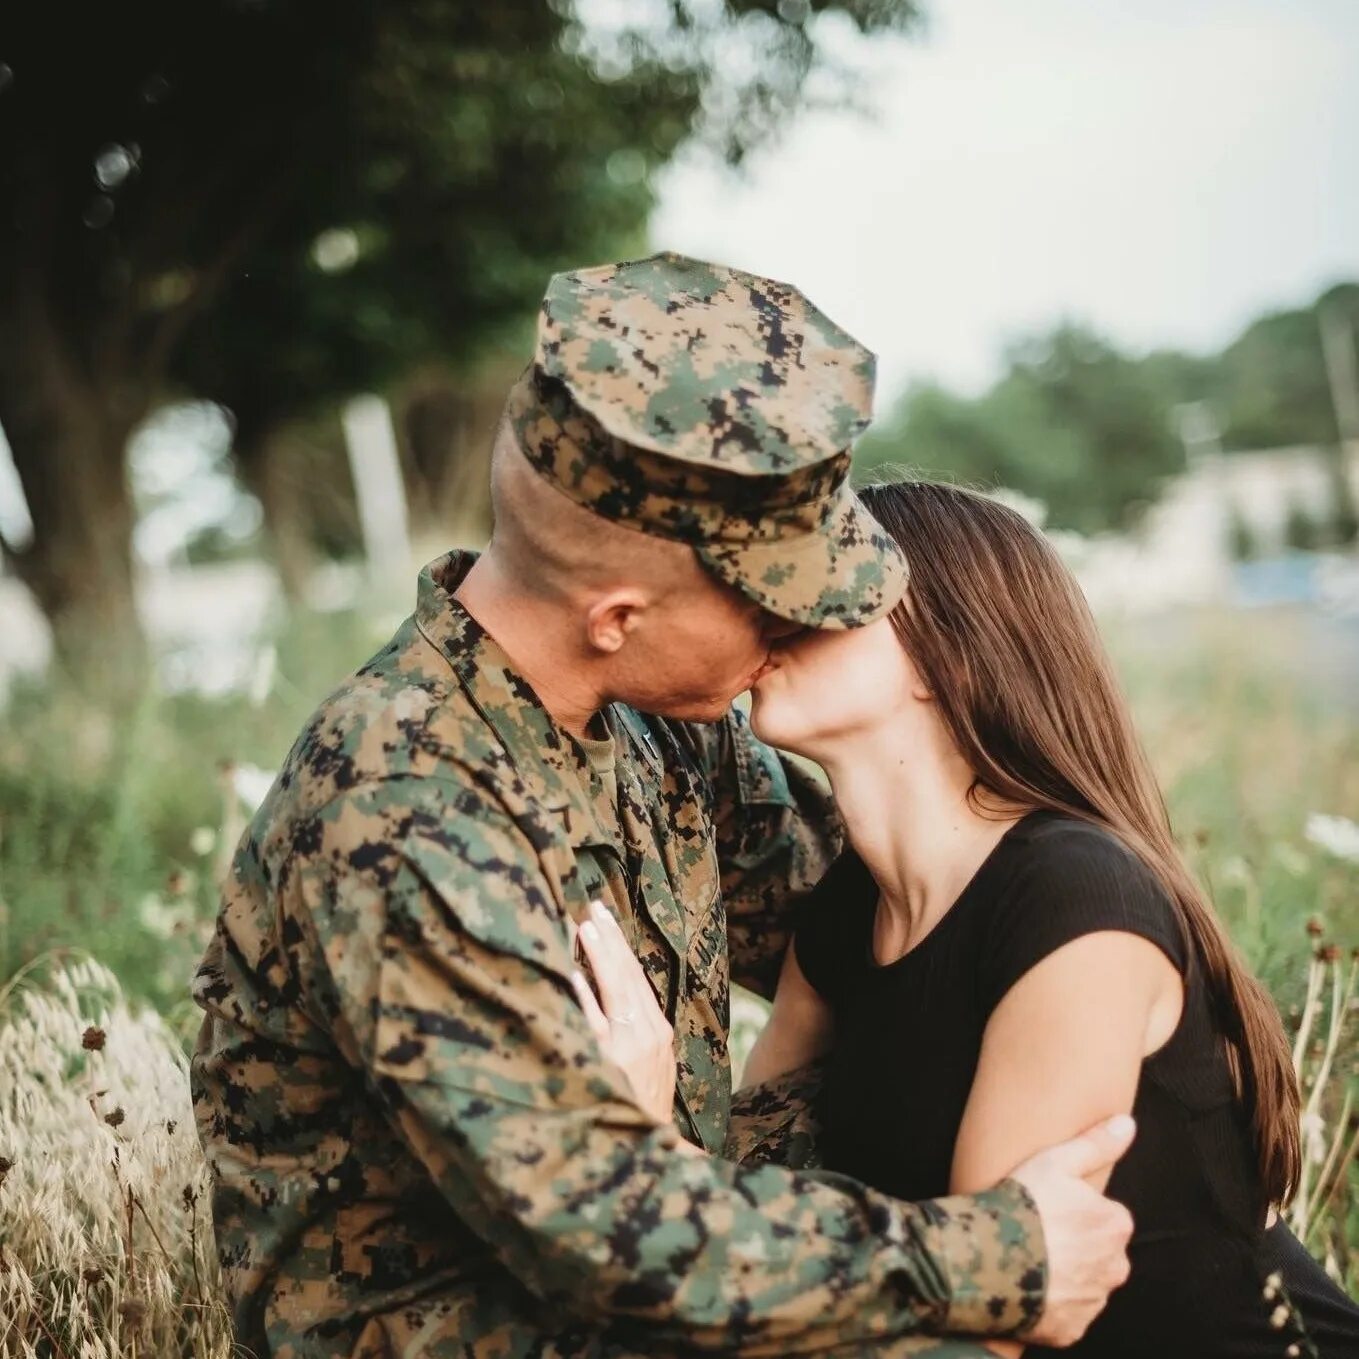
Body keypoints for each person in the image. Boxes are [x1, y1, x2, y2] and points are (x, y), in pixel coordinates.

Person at [192, 254, 1134, 1359]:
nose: (800, 634)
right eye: (773, 605)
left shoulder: (662, 729)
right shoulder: (400, 808)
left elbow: (897, 932)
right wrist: (998, 1257)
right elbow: (603, 1228)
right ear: (617, 616)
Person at [733, 478, 1359, 1357]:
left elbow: (989, 1323)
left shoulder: (1074, 901)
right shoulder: (850, 905)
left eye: (830, 594)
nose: (773, 611)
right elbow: (737, 1185)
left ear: (943, 653)